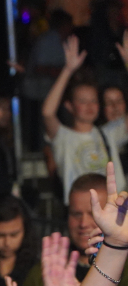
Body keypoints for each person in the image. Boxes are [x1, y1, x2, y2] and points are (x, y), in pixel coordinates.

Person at [43, 35, 128, 201]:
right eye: (82, 101)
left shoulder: (108, 133)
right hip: (82, 209)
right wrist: (67, 70)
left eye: (94, 101)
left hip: (112, 207)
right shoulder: (63, 137)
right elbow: (47, 113)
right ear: (69, 106)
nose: (89, 106)